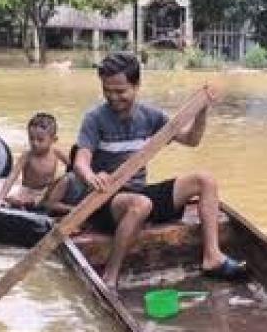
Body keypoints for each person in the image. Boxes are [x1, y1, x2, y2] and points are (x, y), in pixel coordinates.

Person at [73, 51, 245, 288]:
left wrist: (201, 111)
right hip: (104, 201)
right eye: (107, 90)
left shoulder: (150, 116)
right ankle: (110, 278)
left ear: (136, 85)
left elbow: (191, 140)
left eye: (120, 91)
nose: (113, 97)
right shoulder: (95, 119)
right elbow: (81, 160)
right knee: (141, 204)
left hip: (139, 193)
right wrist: (91, 176)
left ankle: (212, 256)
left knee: (205, 181)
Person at [0, 113, 68, 209]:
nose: (35, 143)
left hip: (46, 191)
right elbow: (12, 177)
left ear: (54, 140)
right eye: (31, 139)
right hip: (28, 192)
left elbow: (72, 168)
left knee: (61, 181)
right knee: (15, 201)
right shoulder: (27, 155)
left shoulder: (56, 152)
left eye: (40, 140)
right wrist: (0, 197)